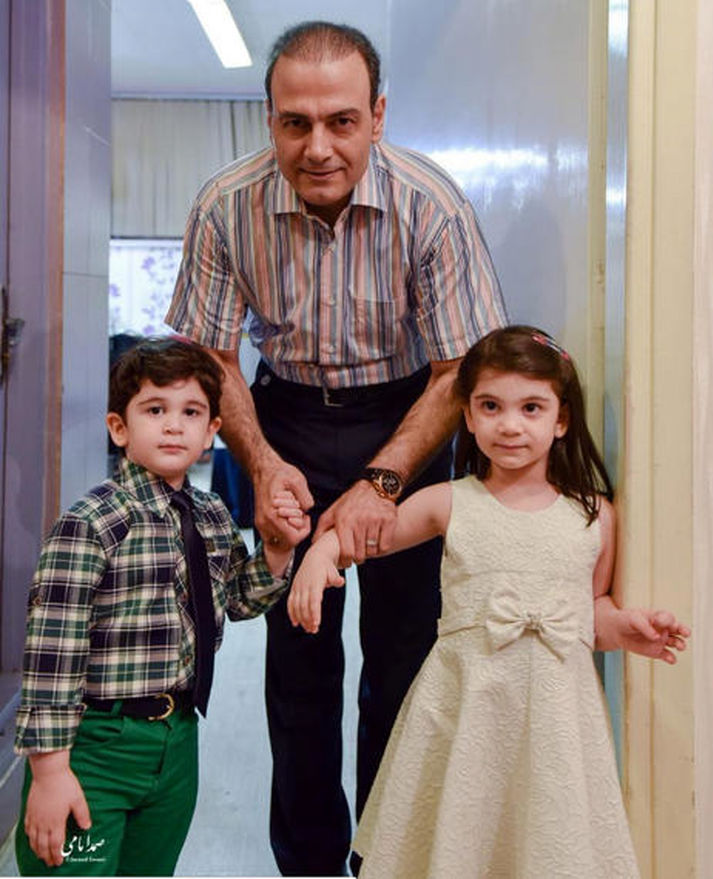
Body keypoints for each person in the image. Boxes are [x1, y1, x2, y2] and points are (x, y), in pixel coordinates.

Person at [165, 21, 507, 875]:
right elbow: (212, 359)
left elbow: (460, 370)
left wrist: (382, 482)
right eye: (296, 123)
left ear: (377, 116)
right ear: (270, 118)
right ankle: (311, 861)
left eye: (342, 122)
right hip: (281, 417)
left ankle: (385, 854)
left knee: (404, 655)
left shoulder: (433, 205)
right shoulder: (224, 205)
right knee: (298, 660)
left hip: (409, 412)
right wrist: (261, 461)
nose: (317, 148)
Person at [285, 326, 690, 878]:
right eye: (491, 406)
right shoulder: (449, 503)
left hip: (556, 717)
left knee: (546, 843)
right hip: (466, 707)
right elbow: (368, 535)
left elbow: (591, 609)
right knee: (462, 838)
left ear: (561, 419)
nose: (510, 424)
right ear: (469, 417)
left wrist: (627, 628)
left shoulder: (594, 515)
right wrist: (320, 554)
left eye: (531, 408)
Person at [12, 338, 293, 876]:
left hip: (177, 741)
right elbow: (52, 656)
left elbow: (237, 600)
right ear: (119, 428)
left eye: (191, 413)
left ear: (212, 431)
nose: (173, 427)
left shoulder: (212, 515)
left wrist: (277, 550)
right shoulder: (91, 523)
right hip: (95, 745)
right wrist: (50, 773)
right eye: (155, 410)